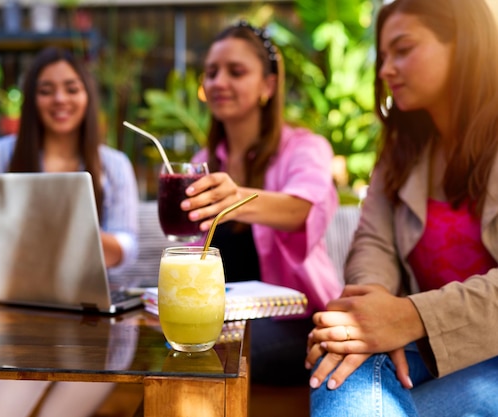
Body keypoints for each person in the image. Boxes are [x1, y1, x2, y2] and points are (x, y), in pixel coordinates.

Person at [306, 0, 498, 415]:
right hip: (429, 349)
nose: (385, 69)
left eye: (403, 49)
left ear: (463, 45)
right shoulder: (401, 150)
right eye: (384, 55)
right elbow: (373, 243)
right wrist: (372, 305)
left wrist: (412, 317)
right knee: (344, 348)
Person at [0, 46, 139, 417]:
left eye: (71, 87)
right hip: (12, 312)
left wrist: (75, 234)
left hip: (89, 315)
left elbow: (128, 247)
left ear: (88, 95)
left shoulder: (114, 165)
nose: (60, 98)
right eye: (46, 90)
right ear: (32, 100)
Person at [184, 20, 342, 386]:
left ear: (268, 85)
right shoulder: (204, 158)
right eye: (211, 72)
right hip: (220, 317)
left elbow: (301, 209)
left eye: (236, 72)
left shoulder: (305, 148)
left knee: (205, 355)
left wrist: (236, 199)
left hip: (295, 322)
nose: (219, 82)